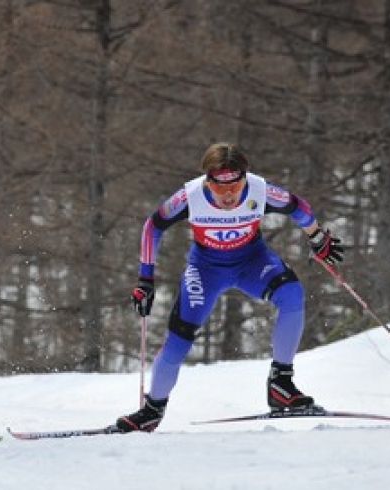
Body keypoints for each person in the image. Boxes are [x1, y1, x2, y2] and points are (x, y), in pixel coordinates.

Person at [115, 142, 344, 433]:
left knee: (291, 294)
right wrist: (145, 279)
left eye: (234, 186)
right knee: (180, 338)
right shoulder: (191, 195)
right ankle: (151, 410)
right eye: (218, 186)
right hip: (205, 269)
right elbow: (153, 226)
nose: (226, 194)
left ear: (245, 178)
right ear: (207, 180)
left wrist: (317, 238)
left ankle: (281, 386)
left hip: (252, 261)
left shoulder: (261, 190)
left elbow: (298, 207)